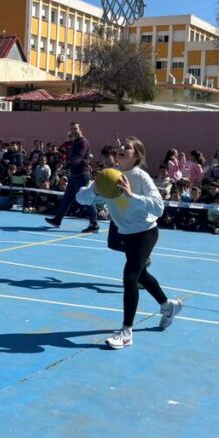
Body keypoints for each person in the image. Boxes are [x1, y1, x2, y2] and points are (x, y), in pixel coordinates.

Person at [76, 137, 182, 349]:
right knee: (141, 273)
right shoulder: (108, 176)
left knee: (131, 275)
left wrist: (131, 195)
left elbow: (158, 208)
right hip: (126, 234)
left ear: (137, 156)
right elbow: (81, 198)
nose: (122, 149)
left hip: (145, 232)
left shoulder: (141, 177)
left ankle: (126, 332)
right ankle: (168, 305)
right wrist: (94, 191)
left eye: (128, 147)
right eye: (121, 146)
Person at [44, 121, 99, 233]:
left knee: (87, 199)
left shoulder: (83, 142)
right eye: (72, 129)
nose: (73, 131)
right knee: (66, 199)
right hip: (74, 176)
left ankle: (94, 224)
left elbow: (78, 158)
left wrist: (65, 166)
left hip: (82, 176)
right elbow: (71, 158)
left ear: (80, 129)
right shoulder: (74, 142)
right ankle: (57, 220)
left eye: (75, 129)